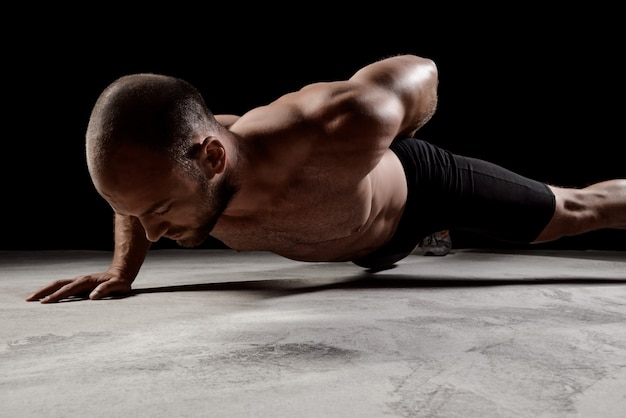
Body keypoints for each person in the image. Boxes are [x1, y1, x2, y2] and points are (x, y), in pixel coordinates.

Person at [26, 54, 626, 304]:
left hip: (416, 197)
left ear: (212, 157)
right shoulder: (173, 173)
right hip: (362, 252)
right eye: (138, 213)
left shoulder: (335, 125)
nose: (152, 233)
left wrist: (390, 139)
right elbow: (133, 201)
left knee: (577, 211)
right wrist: (120, 272)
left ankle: (434, 229)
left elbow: (422, 71)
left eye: (158, 211)